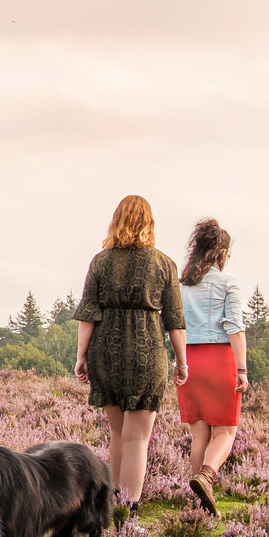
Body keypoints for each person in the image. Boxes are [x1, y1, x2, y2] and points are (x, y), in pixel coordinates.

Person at [73, 195, 187, 515]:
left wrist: (81, 357)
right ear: (149, 222)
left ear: (116, 220)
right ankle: (129, 510)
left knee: (118, 433)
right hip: (147, 352)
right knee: (138, 439)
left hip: (105, 351)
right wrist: (181, 361)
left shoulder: (101, 261)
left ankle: (112, 508)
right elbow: (175, 321)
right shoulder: (164, 264)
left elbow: (88, 314)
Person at [177, 218, 246, 516]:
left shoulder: (182, 286)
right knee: (225, 433)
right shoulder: (228, 284)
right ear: (222, 253)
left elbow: (175, 326)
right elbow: (235, 328)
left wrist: (179, 362)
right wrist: (242, 369)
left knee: (200, 434)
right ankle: (206, 476)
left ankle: (200, 506)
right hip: (220, 359)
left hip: (189, 360)